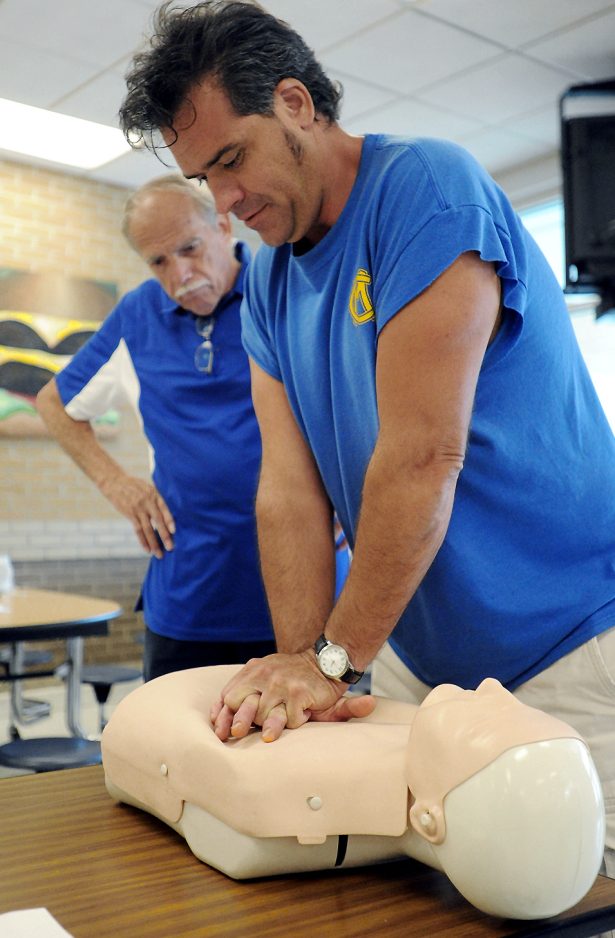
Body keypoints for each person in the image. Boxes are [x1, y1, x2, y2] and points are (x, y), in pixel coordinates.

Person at [117, 0, 615, 874]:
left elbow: (423, 456)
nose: (225, 201)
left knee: (578, 898)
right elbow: (287, 493)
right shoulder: (269, 282)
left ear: (296, 104)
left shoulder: (425, 188)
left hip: (572, 643)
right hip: (423, 668)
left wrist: (332, 659)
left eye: (231, 160)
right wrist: (306, 670)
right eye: (204, 179)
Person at [36, 174, 278, 680]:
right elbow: (55, 404)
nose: (180, 274)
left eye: (189, 248)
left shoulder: (283, 287)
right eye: (159, 262)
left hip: (296, 593)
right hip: (187, 597)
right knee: (169, 730)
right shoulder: (138, 313)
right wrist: (117, 484)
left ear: (223, 225)